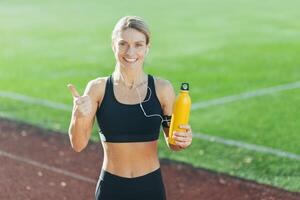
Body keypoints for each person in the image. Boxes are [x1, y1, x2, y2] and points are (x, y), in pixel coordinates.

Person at [67, 16, 193, 200]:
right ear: (113, 46)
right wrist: (78, 115)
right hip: (111, 187)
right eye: (123, 44)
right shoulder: (97, 88)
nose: (130, 51)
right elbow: (78, 145)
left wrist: (183, 139)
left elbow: (173, 143)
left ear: (147, 48)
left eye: (138, 44)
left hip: (150, 187)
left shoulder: (162, 89)